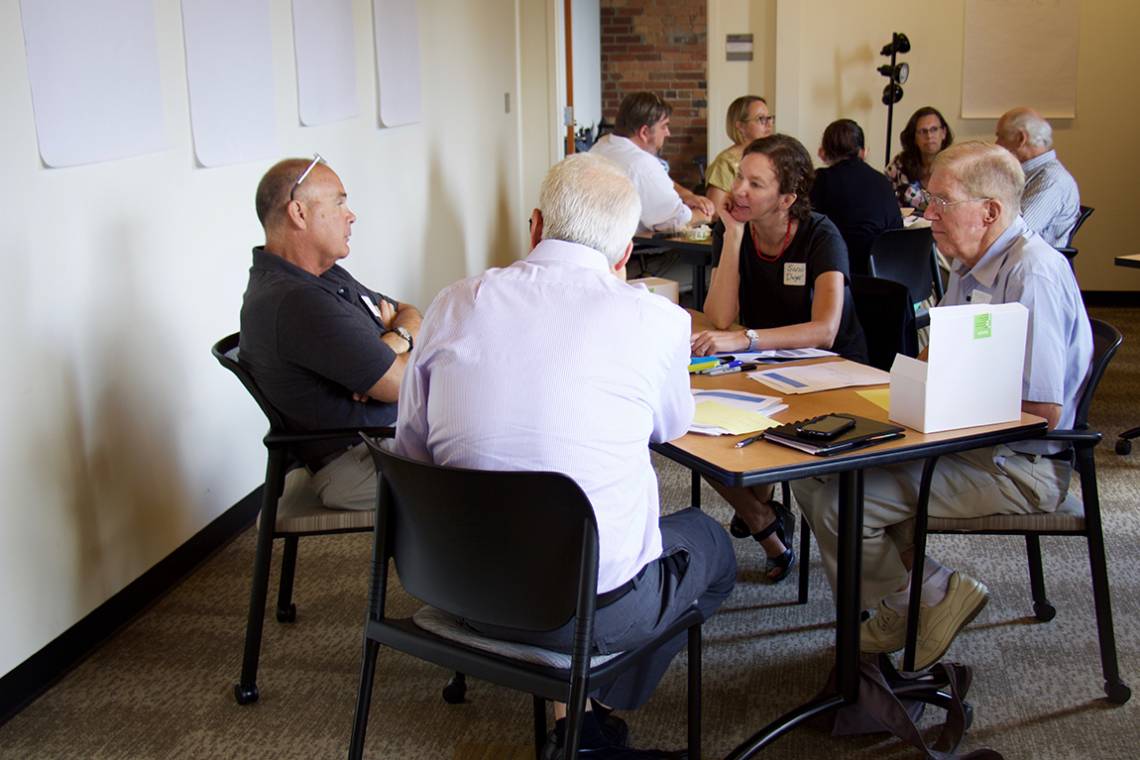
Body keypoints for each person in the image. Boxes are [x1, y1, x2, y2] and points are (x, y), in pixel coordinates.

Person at [395, 153, 736, 759]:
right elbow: (672, 427)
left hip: (453, 588)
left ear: (533, 226)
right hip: (589, 612)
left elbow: (411, 455)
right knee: (711, 544)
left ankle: (574, 717)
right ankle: (590, 716)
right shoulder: (656, 318)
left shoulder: (451, 303)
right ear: (626, 254)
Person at [793, 142, 1092, 671]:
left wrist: (939, 408)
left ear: (990, 211)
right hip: (968, 443)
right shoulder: (970, 264)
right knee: (811, 473)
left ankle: (904, 609)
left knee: (845, 503)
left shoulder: (1033, 275)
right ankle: (927, 593)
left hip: (1021, 466)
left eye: (942, 201)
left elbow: (1042, 412)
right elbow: (938, 359)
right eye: (928, 198)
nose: (927, 213)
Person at [690, 134, 868, 584]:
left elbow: (825, 329)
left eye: (756, 183)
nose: (739, 191)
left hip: (830, 374)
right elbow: (719, 316)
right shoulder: (736, 228)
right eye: (739, 178)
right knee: (695, 435)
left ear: (787, 198)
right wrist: (732, 237)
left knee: (737, 449)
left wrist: (746, 340)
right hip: (769, 369)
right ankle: (766, 524)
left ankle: (760, 511)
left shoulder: (820, 235)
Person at [240, 155, 422, 511]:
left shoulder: (323, 274)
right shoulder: (294, 301)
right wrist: (401, 351)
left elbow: (410, 311)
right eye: (339, 203)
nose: (351, 215)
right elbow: (400, 383)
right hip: (363, 461)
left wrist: (397, 338)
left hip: (391, 438)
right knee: (499, 465)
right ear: (299, 213)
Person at [590, 91, 715, 232]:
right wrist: (706, 214)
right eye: (664, 126)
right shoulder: (641, 164)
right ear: (644, 132)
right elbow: (673, 222)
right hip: (630, 249)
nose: (668, 133)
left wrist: (687, 195)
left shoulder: (603, 145)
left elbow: (660, 180)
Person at [811, 118, 904, 274]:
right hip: (891, 276)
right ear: (863, 152)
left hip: (843, 274)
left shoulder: (820, 181)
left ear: (823, 152)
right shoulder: (882, 180)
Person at [995, 106, 1081, 247]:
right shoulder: (1021, 173)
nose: (997, 144)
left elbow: (1015, 232)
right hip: (1008, 258)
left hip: (1028, 263)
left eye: (1001, 137)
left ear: (1021, 138)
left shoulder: (1051, 180)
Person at [704, 95, 775, 212]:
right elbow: (716, 211)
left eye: (769, 118)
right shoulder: (725, 162)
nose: (769, 124)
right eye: (761, 119)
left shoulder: (769, 156)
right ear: (741, 126)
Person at [885, 106, 954, 213]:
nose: (929, 136)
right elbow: (884, 199)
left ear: (943, 133)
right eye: (923, 131)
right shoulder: (899, 165)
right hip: (908, 228)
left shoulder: (956, 165)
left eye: (934, 129)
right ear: (914, 137)